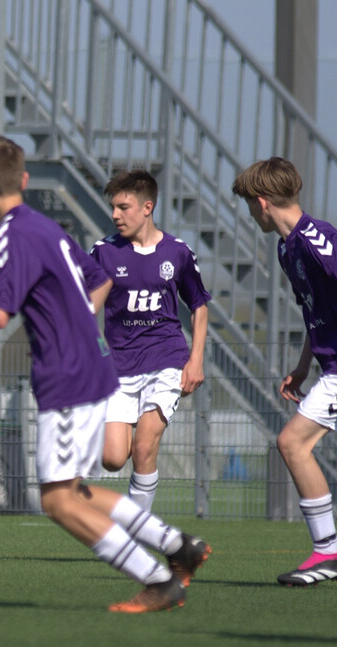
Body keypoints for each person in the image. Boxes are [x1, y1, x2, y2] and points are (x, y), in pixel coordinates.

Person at [0, 135, 210, 612]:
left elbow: (0, 316)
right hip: (99, 366)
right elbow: (99, 279)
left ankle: (158, 579)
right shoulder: (44, 226)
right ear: (22, 179)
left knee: (58, 502)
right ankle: (178, 545)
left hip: (68, 374)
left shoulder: (12, 235)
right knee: (74, 490)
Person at [232, 156, 337, 587]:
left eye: (248, 205)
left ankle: (328, 553)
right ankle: (328, 553)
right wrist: (303, 367)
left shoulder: (316, 237)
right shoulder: (288, 248)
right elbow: (316, 311)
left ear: (262, 202)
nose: (250, 214)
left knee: (292, 442)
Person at [90, 170, 211, 510]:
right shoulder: (104, 253)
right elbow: (88, 310)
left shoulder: (178, 252)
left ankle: (137, 533)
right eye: (113, 207)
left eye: (123, 207)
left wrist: (195, 360)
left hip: (165, 360)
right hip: (119, 366)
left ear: (147, 207)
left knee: (144, 447)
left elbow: (199, 306)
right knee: (113, 458)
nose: (115, 215)